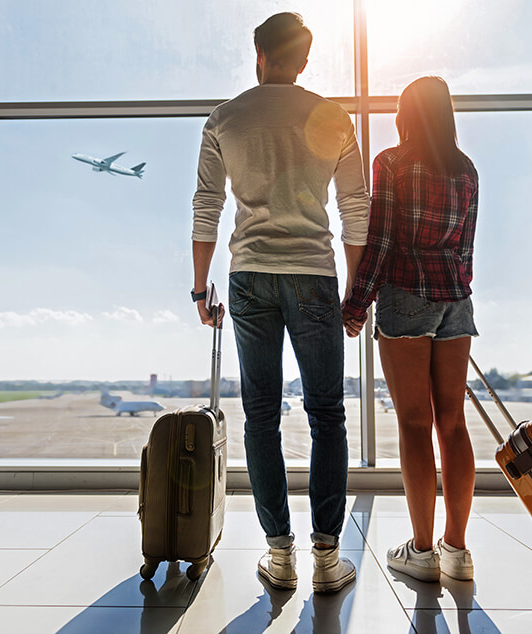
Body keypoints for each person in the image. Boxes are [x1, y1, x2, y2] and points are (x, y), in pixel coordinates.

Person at [191, 12, 369, 593]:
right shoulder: (335, 118)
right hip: (314, 274)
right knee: (327, 415)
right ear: (305, 60)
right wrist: (354, 292)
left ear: (258, 54)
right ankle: (325, 556)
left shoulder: (225, 118)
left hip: (249, 277)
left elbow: (206, 206)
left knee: (261, 417)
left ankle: (280, 554)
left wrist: (200, 287)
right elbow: (356, 209)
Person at [342, 76, 479, 582]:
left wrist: (356, 305)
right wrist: (454, 298)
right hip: (456, 302)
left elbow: (379, 242)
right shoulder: (466, 170)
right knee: (454, 424)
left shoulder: (393, 163)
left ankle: (421, 553)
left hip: (405, 297)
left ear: (406, 113)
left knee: (415, 425)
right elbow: (466, 248)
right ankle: (457, 552)